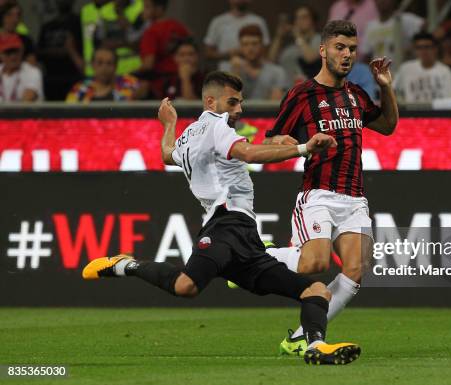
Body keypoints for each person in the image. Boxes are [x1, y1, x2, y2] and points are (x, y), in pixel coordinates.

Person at [82, 70, 361, 366]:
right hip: (225, 225)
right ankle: (127, 265)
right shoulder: (218, 125)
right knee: (185, 286)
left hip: (245, 237)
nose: (239, 109)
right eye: (233, 102)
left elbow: (166, 154)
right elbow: (248, 154)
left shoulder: (191, 134)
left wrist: (169, 124)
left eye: (240, 103)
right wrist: (303, 148)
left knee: (315, 290)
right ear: (212, 103)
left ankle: (315, 345)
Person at [263, 20, 398, 356]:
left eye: (352, 48)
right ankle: (254, 256)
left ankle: (299, 338)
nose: (347, 54)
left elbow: (388, 126)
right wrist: (304, 144)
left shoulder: (356, 94)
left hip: (354, 198)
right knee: (315, 264)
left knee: (355, 271)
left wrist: (386, 87)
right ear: (323, 50)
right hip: (318, 193)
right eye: (340, 47)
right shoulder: (302, 94)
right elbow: (272, 140)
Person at [138, 0, 190, 98]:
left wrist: (131, 74)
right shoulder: (178, 26)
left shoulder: (151, 31)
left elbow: (149, 64)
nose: (143, 11)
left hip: (160, 86)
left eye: (147, 7)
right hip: (183, 80)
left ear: (159, 9)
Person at [219, 25, 286, 100]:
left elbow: (275, 105)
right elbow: (230, 105)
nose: (250, 48)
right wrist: (236, 73)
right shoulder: (231, 71)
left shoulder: (276, 72)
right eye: (245, 44)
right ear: (240, 47)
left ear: (262, 46)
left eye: (254, 44)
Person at [37, 0, 84, 101]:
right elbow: (39, 52)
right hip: (50, 79)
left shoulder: (79, 23)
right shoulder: (47, 26)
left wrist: (69, 51)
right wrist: (63, 51)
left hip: (73, 78)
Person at [394, 31, 451, 102]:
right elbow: (393, 89)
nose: (423, 51)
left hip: (437, 112)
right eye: (419, 48)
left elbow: (450, 98)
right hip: (411, 111)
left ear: (435, 49)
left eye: (427, 47)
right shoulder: (405, 68)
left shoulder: (445, 71)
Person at [269, 6, 321, 87]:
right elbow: (271, 61)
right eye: (297, 18)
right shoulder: (291, 45)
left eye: (304, 17)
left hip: (311, 91)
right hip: (288, 91)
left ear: (313, 20)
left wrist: (298, 35)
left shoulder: (319, 39)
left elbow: (310, 58)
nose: (299, 21)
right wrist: (279, 37)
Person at [204, 0, 270, 62]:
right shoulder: (218, 22)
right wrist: (229, 54)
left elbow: (266, 53)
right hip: (226, 72)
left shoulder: (258, 22)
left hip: (253, 72)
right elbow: (208, 53)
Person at [361, 0, 424, 64]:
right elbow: (366, 56)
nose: (382, 1)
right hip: (380, 72)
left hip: (403, 70)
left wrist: (412, 49)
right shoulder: (370, 26)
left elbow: (428, 28)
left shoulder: (405, 19)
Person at [66, 46, 138, 102]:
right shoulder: (79, 89)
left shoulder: (129, 83)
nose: (104, 68)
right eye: (100, 63)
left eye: (109, 63)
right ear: (92, 65)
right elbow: (69, 115)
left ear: (115, 66)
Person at [92, 0, 144, 75]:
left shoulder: (141, 7)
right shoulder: (105, 10)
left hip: (137, 68)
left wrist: (120, 13)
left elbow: (139, 41)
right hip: (113, 71)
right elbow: (99, 41)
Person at [0, 33, 43, 102]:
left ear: (22, 51)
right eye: (8, 52)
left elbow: (26, 101)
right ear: (0, 54)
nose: (13, 56)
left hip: (24, 112)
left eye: (16, 51)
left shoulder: (32, 71)